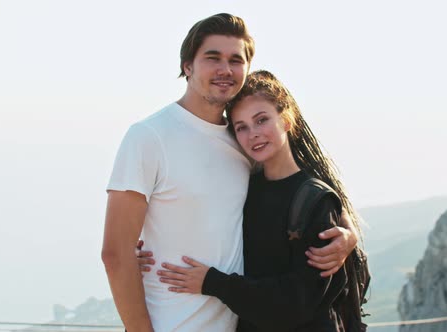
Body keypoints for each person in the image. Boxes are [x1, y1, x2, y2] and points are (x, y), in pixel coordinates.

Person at [102, 13, 357, 332]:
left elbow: (303, 186)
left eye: (236, 60)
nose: (225, 69)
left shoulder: (243, 140)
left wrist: (348, 232)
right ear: (187, 66)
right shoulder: (148, 137)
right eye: (213, 58)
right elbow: (115, 253)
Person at [154, 70, 364, 331]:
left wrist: (213, 283)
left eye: (261, 120)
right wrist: (146, 250)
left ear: (287, 120)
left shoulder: (314, 200)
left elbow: (297, 301)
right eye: (241, 127)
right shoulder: (243, 189)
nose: (253, 133)